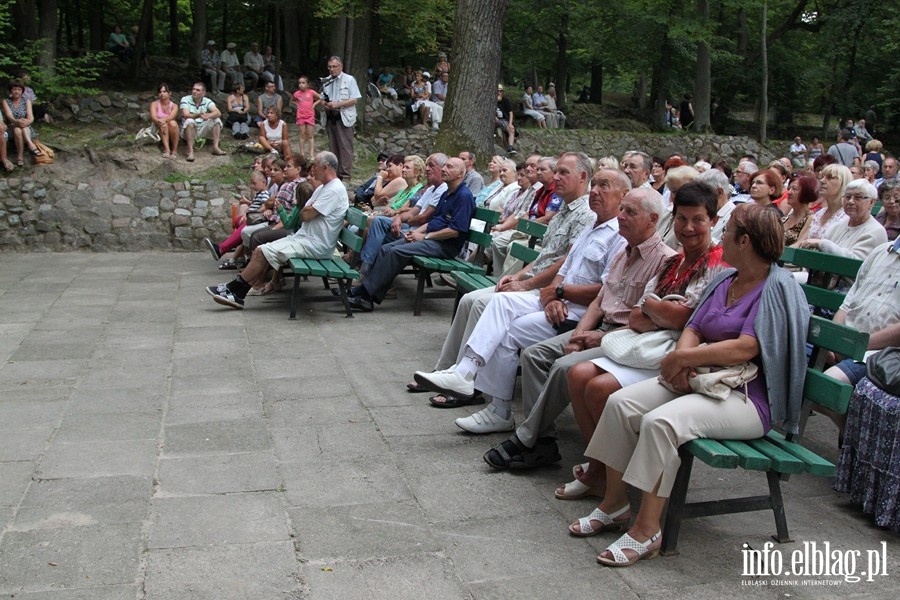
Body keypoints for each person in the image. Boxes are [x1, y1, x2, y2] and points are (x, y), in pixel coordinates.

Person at [575, 203, 808, 567]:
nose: (721, 237)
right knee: (620, 404)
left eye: (727, 231)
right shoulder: (725, 279)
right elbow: (694, 327)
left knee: (661, 423)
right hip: (702, 378)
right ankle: (614, 504)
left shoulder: (776, 288)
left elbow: (748, 347)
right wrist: (680, 361)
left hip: (746, 397)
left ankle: (647, 529)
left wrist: (684, 360)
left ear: (745, 241)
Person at [553, 182, 728, 489]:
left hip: (677, 354)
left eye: (698, 219)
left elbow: (688, 318)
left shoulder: (717, 265)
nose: (688, 228)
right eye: (681, 219)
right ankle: (598, 467)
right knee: (577, 374)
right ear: (671, 220)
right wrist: (660, 312)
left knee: (599, 387)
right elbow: (637, 314)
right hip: (648, 343)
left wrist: (657, 310)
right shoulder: (673, 262)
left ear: (712, 221)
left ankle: (607, 476)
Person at [478, 188, 675, 457]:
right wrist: (579, 335)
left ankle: (527, 439)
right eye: (622, 210)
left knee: (561, 366)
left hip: (625, 336)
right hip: (596, 326)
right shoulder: (624, 251)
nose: (622, 217)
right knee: (535, 355)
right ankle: (543, 440)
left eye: (631, 212)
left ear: (653, 219)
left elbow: (650, 321)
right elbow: (599, 302)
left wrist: (598, 336)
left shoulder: (664, 259)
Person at [417, 165, 628, 409]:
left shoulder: (616, 233)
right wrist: (551, 294)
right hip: (556, 300)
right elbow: (564, 268)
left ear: (623, 195)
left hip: (576, 311)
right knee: (498, 307)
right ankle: (470, 380)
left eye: (604, 186)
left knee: (499, 318)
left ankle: (480, 390)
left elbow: (604, 290)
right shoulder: (591, 227)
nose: (595, 191)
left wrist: (555, 292)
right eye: (596, 185)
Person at [206, 151, 349, 309]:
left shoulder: (334, 189)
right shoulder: (324, 188)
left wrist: (308, 209)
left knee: (261, 250)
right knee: (261, 249)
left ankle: (233, 290)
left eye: (315, 165)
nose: (312, 169)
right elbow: (304, 212)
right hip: (305, 239)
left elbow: (306, 214)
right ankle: (235, 292)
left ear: (325, 167)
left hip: (315, 245)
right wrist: (308, 209)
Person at [346, 157, 475, 312]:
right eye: (444, 166)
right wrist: (417, 232)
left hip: (445, 245)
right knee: (385, 249)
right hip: (432, 238)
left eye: (449, 167)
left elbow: (454, 231)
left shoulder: (464, 196)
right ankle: (366, 296)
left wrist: (425, 236)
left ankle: (364, 294)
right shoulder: (448, 193)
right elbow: (435, 222)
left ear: (461, 173)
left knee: (396, 251)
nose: (444, 169)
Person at [357, 154, 442, 279]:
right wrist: (398, 217)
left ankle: (363, 270)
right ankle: (364, 270)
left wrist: (398, 215)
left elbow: (422, 217)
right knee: (376, 224)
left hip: (418, 231)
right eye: (427, 165)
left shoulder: (424, 189)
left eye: (407, 167)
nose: (427, 169)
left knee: (376, 233)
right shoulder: (427, 190)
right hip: (407, 225)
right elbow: (411, 211)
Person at [799, 179, 887, 261]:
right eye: (847, 197)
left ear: (871, 202)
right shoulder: (837, 225)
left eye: (858, 197)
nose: (851, 201)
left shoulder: (876, 231)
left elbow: (854, 261)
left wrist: (823, 244)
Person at [321, 56, 362, 181]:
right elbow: (322, 97)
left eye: (334, 67)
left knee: (345, 146)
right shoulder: (326, 81)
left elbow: (355, 99)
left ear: (341, 67)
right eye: (330, 67)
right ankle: (335, 173)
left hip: (344, 116)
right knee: (333, 146)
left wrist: (337, 104)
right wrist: (325, 104)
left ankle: (345, 174)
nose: (332, 69)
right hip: (330, 117)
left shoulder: (349, 80)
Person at [794, 164, 852, 244]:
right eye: (822, 177)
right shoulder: (819, 214)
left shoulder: (847, 218)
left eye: (830, 177)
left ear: (843, 183)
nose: (822, 181)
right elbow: (800, 243)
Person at [179, 82, 226, 162]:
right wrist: (198, 115)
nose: (194, 91)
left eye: (198, 90)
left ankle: (215, 147)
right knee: (190, 121)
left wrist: (208, 115)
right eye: (193, 89)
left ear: (203, 93)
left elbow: (218, 112)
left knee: (216, 120)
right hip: (187, 129)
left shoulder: (207, 101)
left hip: (202, 128)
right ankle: (190, 152)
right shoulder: (185, 99)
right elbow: (186, 114)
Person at [2, 80, 40, 167]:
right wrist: (17, 122)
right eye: (14, 89)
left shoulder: (26, 101)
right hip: (12, 126)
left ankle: (20, 157)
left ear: (22, 91)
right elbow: (9, 116)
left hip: (26, 126)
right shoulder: (6, 101)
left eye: (19, 89)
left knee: (20, 129)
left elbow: (31, 117)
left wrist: (26, 122)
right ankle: (30, 145)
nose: (16, 91)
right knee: (17, 129)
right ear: (11, 91)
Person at [781, 175, 817, 246]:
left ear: (806, 192)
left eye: (794, 189)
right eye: (789, 188)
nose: (789, 192)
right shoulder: (786, 217)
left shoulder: (810, 218)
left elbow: (799, 244)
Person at [292, 76, 321, 159]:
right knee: (302, 134)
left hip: (310, 115)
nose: (301, 85)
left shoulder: (311, 92)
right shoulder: (297, 93)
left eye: (303, 83)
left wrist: (314, 104)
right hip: (301, 116)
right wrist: (297, 105)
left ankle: (311, 154)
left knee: (310, 135)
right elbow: (293, 100)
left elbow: (320, 97)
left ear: (307, 84)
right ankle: (302, 153)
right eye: (299, 83)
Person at [149, 83, 179, 159]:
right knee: (163, 125)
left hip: (170, 126)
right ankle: (167, 149)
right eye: (160, 92)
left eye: (164, 91)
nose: (162, 94)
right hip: (157, 126)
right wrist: (160, 122)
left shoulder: (174, 106)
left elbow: (172, 116)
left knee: (173, 123)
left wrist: (164, 120)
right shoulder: (154, 104)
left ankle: (174, 151)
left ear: (169, 93)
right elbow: (153, 117)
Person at [495, 85, 516, 155]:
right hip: (494, 120)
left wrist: (510, 123)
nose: (499, 93)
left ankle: (510, 147)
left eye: (500, 91)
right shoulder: (490, 100)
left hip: (503, 120)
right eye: (498, 91)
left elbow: (510, 113)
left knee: (511, 130)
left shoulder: (506, 100)